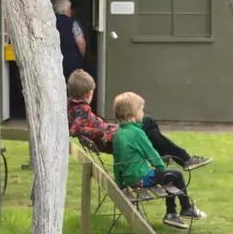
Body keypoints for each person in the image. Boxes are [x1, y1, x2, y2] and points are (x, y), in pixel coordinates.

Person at [66, 70, 212, 171]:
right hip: (118, 140)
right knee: (148, 122)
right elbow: (75, 130)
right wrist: (99, 133)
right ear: (88, 94)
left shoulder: (71, 107)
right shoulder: (83, 109)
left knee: (152, 131)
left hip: (115, 137)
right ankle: (183, 159)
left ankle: (173, 157)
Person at [110, 91, 204, 229]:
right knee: (174, 176)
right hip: (141, 178)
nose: (143, 112)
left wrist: (120, 183)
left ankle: (173, 213)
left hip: (128, 179)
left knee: (167, 175)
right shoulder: (137, 133)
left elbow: (116, 161)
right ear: (131, 115)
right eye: (141, 109)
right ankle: (184, 209)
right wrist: (163, 169)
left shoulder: (118, 134)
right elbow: (152, 155)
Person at [55, 0, 87, 79]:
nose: (71, 11)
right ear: (65, 10)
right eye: (69, 8)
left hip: (55, 59)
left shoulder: (51, 22)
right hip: (71, 60)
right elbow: (81, 43)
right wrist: (82, 56)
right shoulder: (72, 23)